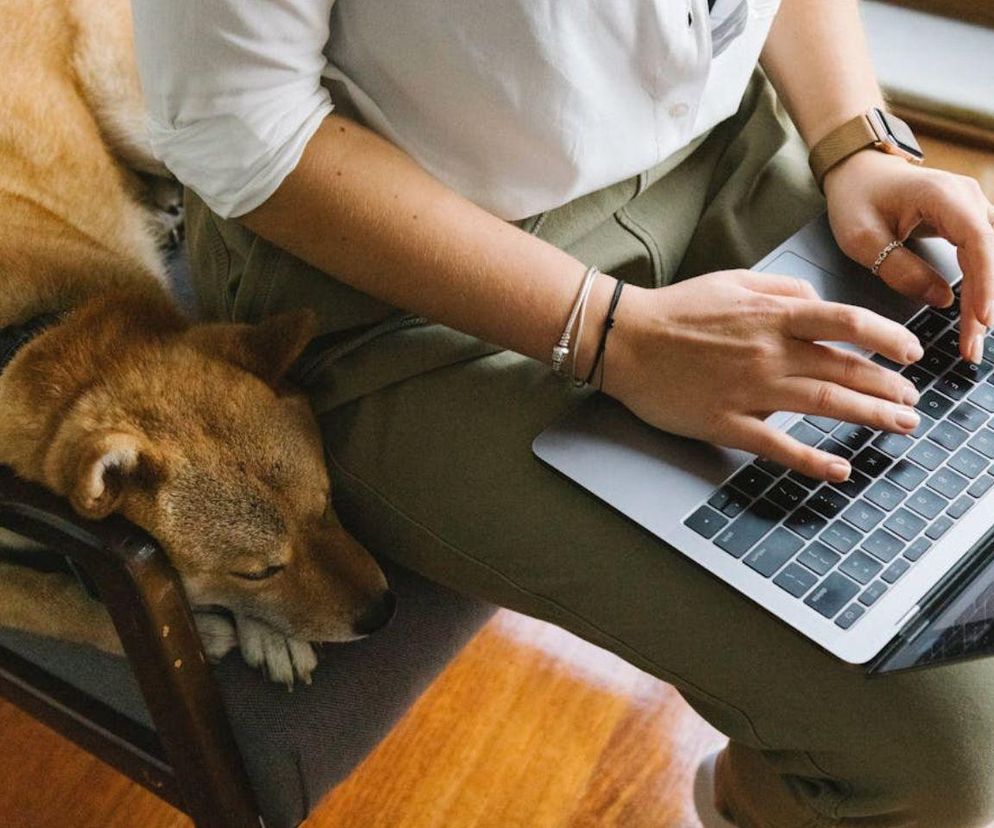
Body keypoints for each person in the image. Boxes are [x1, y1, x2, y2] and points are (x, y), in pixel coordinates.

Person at [132, 1, 994, 825]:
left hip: (719, 140)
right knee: (947, 754)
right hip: (404, 290)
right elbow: (234, 121)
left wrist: (858, 143)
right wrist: (616, 336)